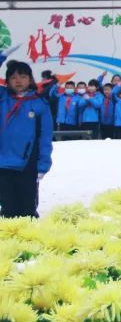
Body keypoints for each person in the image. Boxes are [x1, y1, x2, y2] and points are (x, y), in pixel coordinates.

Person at [0, 60, 53, 218]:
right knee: (8, 207)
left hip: (28, 163)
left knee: (27, 208)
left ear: (30, 79)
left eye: (23, 76)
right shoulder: (3, 99)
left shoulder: (39, 103)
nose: (18, 80)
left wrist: (44, 163)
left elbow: (45, 136)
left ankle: (28, 240)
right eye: (13, 77)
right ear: (7, 81)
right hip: (3, 162)